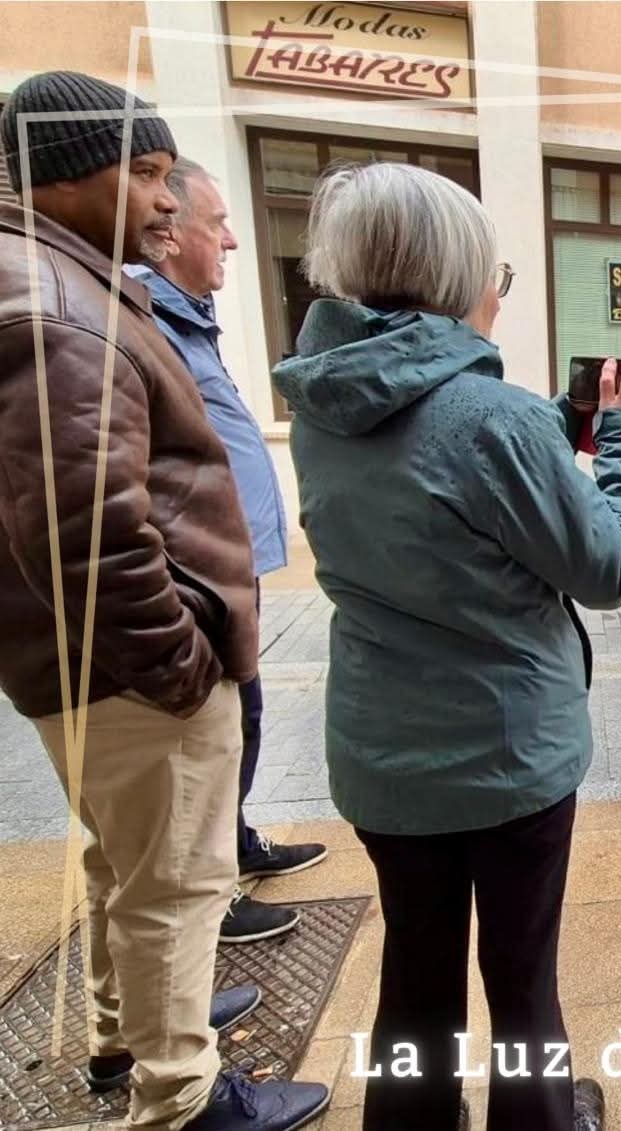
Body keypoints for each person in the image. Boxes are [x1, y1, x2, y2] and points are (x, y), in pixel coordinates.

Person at [272, 162, 621, 1131]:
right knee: (522, 984)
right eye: (498, 274)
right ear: (456, 279)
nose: (499, 292)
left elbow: (436, 478)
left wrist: (554, 434)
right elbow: (610, 567)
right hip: (505, 759)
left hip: (382, 757)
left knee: (415, 980)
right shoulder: (494, 419)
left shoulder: (321, 406)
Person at [0, 72, 326, 1131]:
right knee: (173, 889)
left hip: (89, 668)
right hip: (134, 676)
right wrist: (181, 663)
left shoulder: (54, 275)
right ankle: (185, 1098)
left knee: (123, 866)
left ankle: (126, 1034)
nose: (163, 200)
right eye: (144, 173)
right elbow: (83, 524)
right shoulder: (58, 306)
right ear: (68, 173)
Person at [126, 157, 326, 946]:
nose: (234, 241)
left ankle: (233, 847)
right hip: (190, 584)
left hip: (221, 573)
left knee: (240, 720)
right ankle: (209, 897)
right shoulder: (143, 322)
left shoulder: (186, 320)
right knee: (205, 739)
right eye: (218, 224)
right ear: (172, 232)